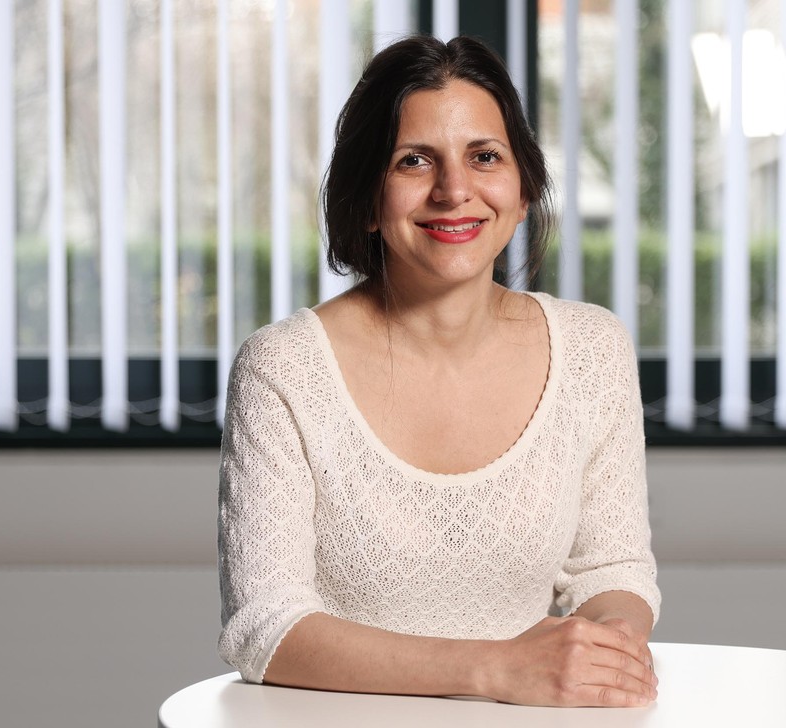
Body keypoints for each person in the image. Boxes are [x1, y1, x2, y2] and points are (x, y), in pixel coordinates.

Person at [217, 34, 660, 708]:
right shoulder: (281, 368)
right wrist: (495, 671)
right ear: (367, 198)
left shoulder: (594, 348)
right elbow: (265, 629)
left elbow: (612, 570)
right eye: (415, 161)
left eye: (484, 157)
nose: (455, 191)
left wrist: (600, 654)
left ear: (522, 189)